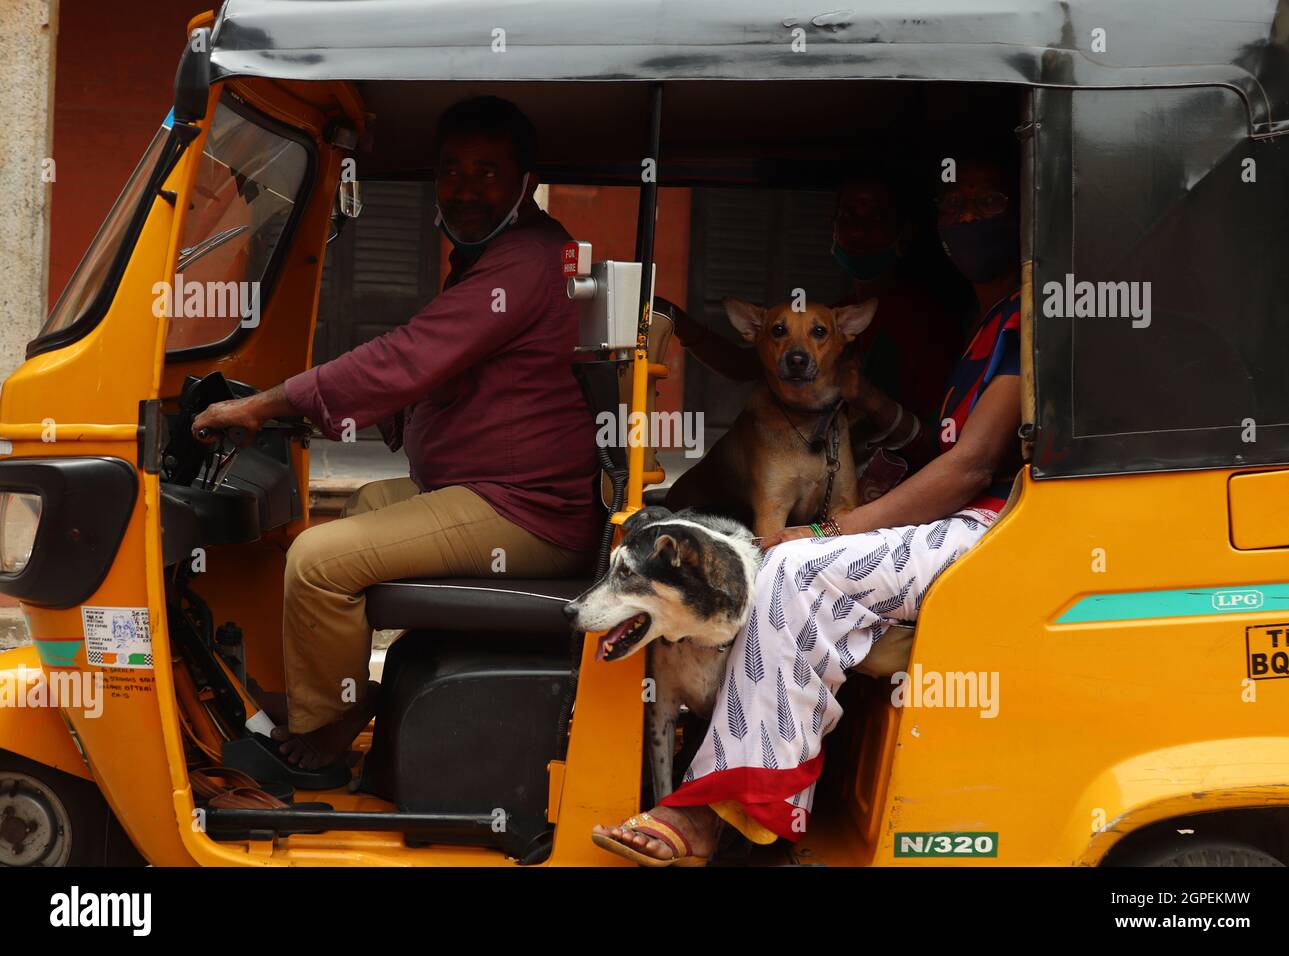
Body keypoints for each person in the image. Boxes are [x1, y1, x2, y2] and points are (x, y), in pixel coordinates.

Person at [591, 146, 1024, 864]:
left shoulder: (1025, 318)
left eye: (988, 203)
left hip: (997, 520)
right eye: (955, 204)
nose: (968, 217)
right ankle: (762, 800)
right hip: (954, 514)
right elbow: (921, 443)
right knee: (790, 565)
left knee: (790, 568)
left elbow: (971, 465)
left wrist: (831, 527)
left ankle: (711, 815)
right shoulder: (982, 322)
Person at [192, 97, 600, 769]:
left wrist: (271, 401)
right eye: (451, 170)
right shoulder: (498, 254)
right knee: (362, 507)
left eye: (487, 172)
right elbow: (445, 366)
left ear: (525, 180)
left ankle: (328, 727)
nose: (465, 188)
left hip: (524, 511)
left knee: (319, 563)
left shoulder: (525, 261)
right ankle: (387, 678)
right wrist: (319, 406)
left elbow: (413, 356)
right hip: (491, 489)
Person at [670, 166, 962, 504]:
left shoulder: (923, 319)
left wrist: (868, 399)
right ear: (833, 230)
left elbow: (936, 446)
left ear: (904, 234)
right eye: (848, 215)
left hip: (895, 488)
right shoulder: (830, 318)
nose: (859, 229)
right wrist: (678, 322)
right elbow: (748, 365)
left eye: (877, 217)